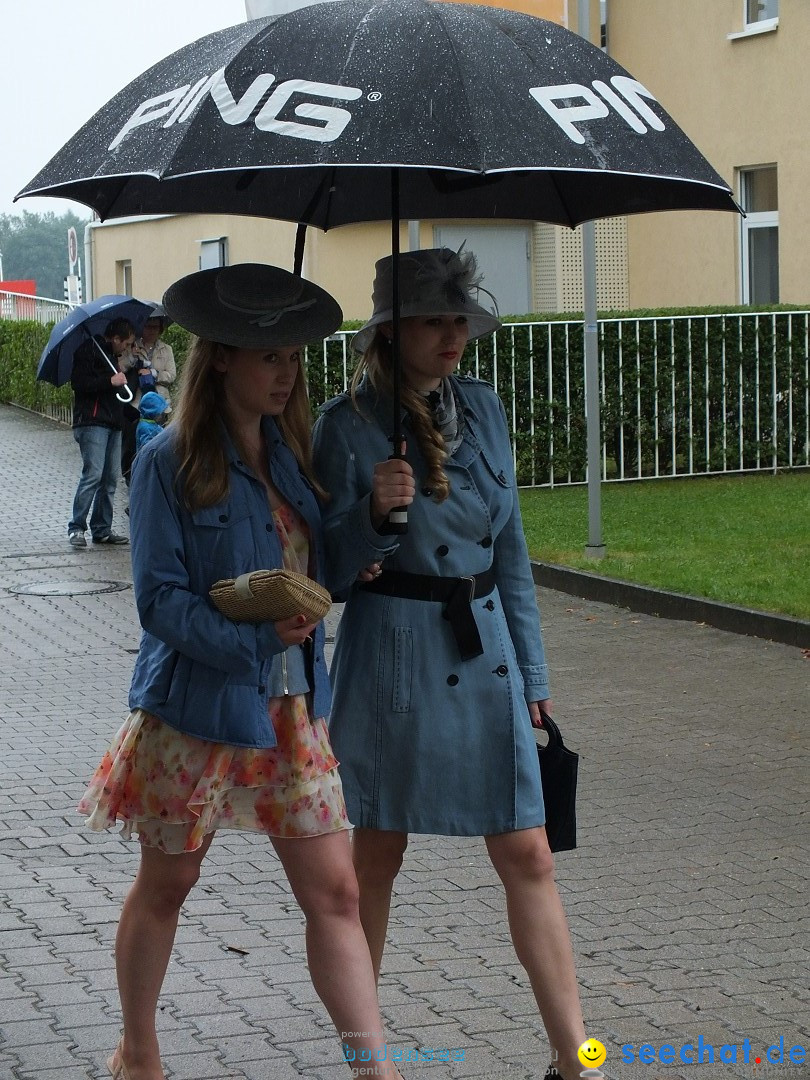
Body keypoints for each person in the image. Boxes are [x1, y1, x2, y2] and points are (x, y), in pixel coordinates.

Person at [77, 264, 406, 1080]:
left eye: (294, 358)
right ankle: (140, 1051)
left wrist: (371, 517)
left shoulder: (292, 457)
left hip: (295, 712)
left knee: (335, 893)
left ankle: (378, 1071)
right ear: (222, 357)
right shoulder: (168, 462)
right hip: (196, 708)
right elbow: (158, 603)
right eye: (270, 357)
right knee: (171, 881)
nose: (287, 373)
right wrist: (258, 640)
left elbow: (326, 565)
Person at [312, 247, 600, 1080]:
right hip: (391, 655)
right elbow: (324, 575)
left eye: (459, 318)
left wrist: (536, 677)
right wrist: (372, 510)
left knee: (531, 855)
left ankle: (577, 1057)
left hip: (485, 651)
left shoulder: (485, 408)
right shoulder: (345, 425)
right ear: (391, 330)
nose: (453, 335)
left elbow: (510, 554)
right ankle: (370, 1064)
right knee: (375, 860)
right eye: (435, 319)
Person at [67, 317, 134, 547]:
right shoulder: (89, 351)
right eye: (125, 344)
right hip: (92, 422)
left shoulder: (112, 357)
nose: (126, 348)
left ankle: (102, 529)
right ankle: (76, 528)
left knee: (110, 480)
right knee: (93, 475)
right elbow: (80, 384)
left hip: (112, 423)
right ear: (116, 338)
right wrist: (110, 380)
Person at [121, 308, 176, 486]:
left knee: (161, 443)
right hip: (137, 404)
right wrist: (132, 358)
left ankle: (159, 477)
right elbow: (121, 367)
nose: (151, 330)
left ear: (160, 329)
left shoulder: (166, 349)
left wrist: (153, 373)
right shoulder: (133, 346)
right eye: (147, 326)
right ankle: (132, 477)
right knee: (133, 445)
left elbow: (171, 375)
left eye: (155, 326)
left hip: (160, 403)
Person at [134, 390, 170, 454]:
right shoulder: (145, 427)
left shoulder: (153, 423)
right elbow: (147, 449)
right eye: (161, 414)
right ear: (152, 413)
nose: (163, 416)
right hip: (147, 461)